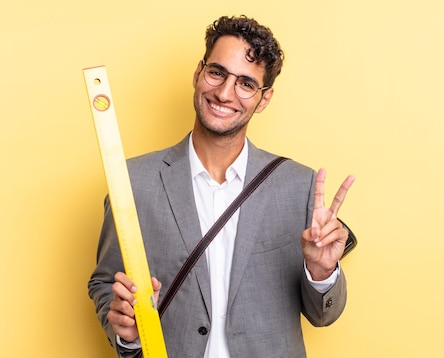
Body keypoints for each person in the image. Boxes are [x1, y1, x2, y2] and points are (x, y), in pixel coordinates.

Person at [88, 15, 356, 358]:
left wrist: (322, 272)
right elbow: (104, 283)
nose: (225, 93)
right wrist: (125, 329)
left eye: (246, 83)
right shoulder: (133, 181)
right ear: (198, 73)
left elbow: (324, 314)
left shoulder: (297, 186)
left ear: (264, 98)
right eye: (217, 73)